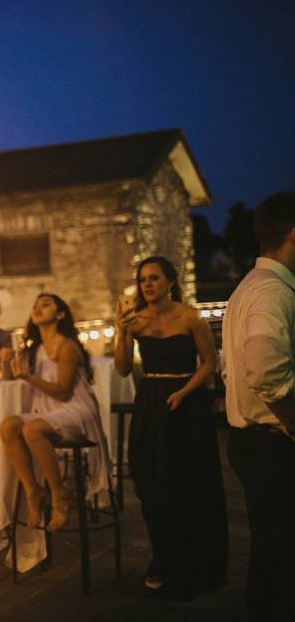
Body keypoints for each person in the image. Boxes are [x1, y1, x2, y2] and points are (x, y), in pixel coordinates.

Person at [114, 255, 227, 600]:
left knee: (187, 484)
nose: (147, 284)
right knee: (152, 483)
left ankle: (192, 562)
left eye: (154, 278)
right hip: (151, 402)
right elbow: (121, 369)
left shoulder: (190, 317)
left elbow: (209, 364)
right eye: (143, 279)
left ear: (169, 282)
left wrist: (185, 392)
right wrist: (120, 329)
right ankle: (163, 555)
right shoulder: (135, 321)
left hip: (186, 403)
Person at [223, 192, 295, 621]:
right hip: (272, 444)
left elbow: (228, 366)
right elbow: (266, 372)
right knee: (280, 556)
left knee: (273, 551)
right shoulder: (272, 292)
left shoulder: (249, 287)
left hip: (254, 440)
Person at [0, 293, 109, 532]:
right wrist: (5, 363)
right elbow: (9, 379)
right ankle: (33, 491)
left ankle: (59, 496)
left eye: (45, 305)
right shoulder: (34, 347)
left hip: (76, 409)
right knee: (8, 426)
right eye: (35, 305)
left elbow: (62, 392)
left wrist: (28, 377)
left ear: (60, 315)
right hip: (48, 410)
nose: (37, 308)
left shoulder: (66, 346)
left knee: (32, 429)